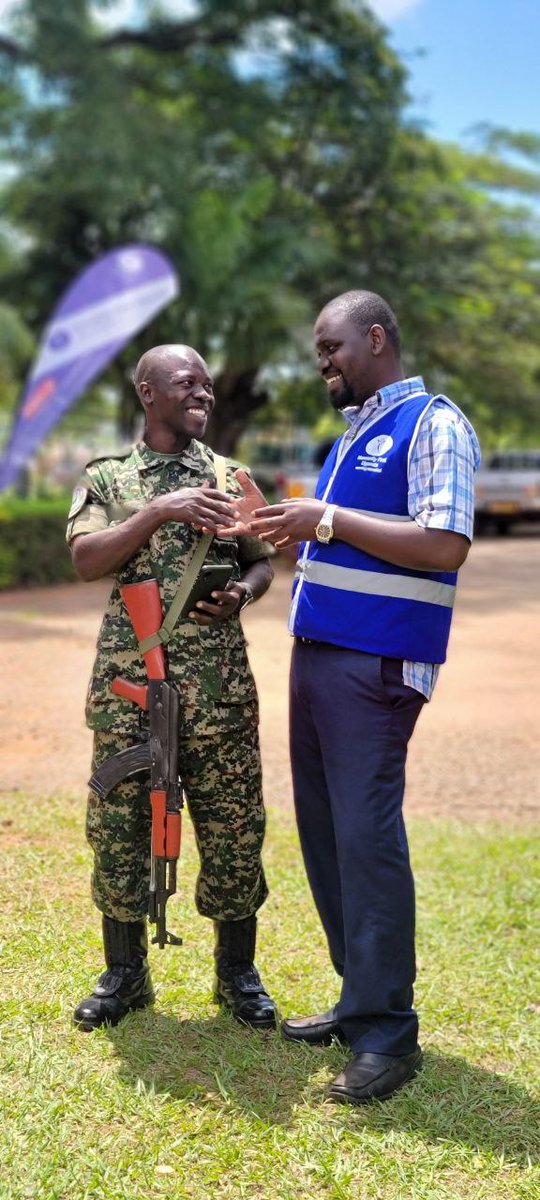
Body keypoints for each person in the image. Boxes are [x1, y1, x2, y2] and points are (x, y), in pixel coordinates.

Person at [249, 289, 480, 1104]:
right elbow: (333, 533)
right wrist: (291, 526)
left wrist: (328, 520)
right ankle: (358, 1002)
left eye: (332, 346)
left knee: (367, 844)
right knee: (327, 839)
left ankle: (389, 1035)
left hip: (375, 669)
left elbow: (445, 541)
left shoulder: (433, 425)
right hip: (319, 662)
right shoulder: (356, 435)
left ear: (376, 338)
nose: (322, 362)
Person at [66, 343, 277, 1033]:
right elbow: (86, 558)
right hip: (131, 690)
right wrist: (158, 511)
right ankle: (125, 975)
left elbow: (265, 560)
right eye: (188, 383)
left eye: (209, 386)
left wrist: (242, 592)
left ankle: (237, 974)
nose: (205, 395)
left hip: (219, 694)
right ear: (147, 392)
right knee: (121, 826)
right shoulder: (110, 478)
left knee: (234, 825)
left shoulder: (230, 476)